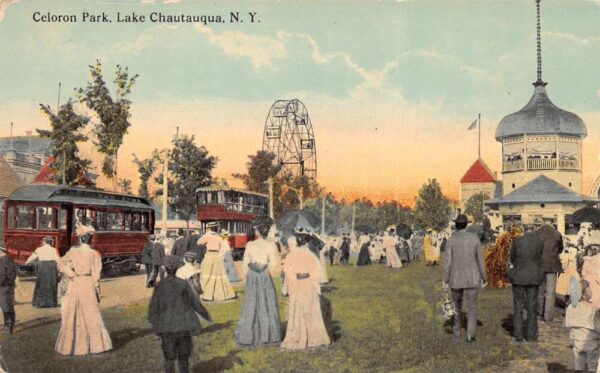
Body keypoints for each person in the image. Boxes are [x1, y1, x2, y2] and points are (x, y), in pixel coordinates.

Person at [149, 255, 212, 373]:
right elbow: (195, 303)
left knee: (169, 358)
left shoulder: (159, 286)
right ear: (178, 267)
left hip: (166, 327)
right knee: (183, 358)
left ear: (164, 268)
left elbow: (153, 308)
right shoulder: (183, 284)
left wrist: (155, 326)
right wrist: (206, 315)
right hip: (183, 326)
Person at [55, 228, 112, 355]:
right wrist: (97, 290)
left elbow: (60, 263)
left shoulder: (73, 251)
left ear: (80, 239)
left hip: (76, 282)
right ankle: (95, 346)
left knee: (74, 311)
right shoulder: (95, 254)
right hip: (88, 283)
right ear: (90, 239)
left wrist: (71, 273)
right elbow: (96, 275)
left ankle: (72, 346)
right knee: (91, 312)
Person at [235, 216, 282, 347]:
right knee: (266, 302)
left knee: (251, 303)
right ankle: (268, 334)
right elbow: (273, 264)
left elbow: (245, 263)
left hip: (252, 275)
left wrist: (250, 272)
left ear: (257, 231)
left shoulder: (250, 245)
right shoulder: (271, 245)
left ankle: (249, 335)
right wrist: (264, 267)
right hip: (264, 275)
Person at [280, 231, 331, 350]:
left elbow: (287, 272)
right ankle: (311, 337)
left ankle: (300, 336)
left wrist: (292, 283)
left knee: (299, 309)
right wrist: (314, 284)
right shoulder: (310, 255)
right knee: (308, 309)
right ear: (305, 243)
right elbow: (317, 273)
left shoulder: (292, 255)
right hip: (306, 284)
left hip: (299, 284)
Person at [443, 214, 487, 343]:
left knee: (457, 307)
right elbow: (480, 260)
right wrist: (484, 277)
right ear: (466, 224)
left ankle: (457, 333)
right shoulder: (474, 239)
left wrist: (445, 279)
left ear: (456, 225)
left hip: (456, 278)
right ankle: (470, 335)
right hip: (472, 277)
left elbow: (448, 262)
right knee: (472, 307)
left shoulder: (451, 240)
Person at [508, 225, 543, 343]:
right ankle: (531, 335)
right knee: (532, 307)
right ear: (533, 228)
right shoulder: (539, 242)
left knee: (518, 306)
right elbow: (540, 258)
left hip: (519, 277)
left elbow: (512, 258)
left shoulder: (517, 241)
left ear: (523, 228)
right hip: (533, 276)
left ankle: (518, 335)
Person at [565, 281, 599, 373]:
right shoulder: (592, 309)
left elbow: (568, 324)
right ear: (585, 293)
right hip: (591, 342)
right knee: (592, 364)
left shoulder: (570, 308)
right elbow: (597, 326)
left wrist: (571, 339)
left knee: (579, 362)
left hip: (577, 341)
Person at [199, 223, 236, 301]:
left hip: (209, 255)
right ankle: (222, 294)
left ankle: (207, 295)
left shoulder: (207, 236)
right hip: (217, 256)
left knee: (208, 274)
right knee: (218, 275)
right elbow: (223, 248)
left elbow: (199, 242)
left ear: (210, 228)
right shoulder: (218, 237)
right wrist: (221, 256)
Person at [533, 224, 563, 322]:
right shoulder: (557, 234)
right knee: (550, 291)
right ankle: (548, 316)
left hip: (539, 265)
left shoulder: (536, 233)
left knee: (540, 289)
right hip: (552, 265)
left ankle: (540, 311)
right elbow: (560, 249)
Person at [25, 236, 60, 308]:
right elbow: (57, 259)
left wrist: (26, 262)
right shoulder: (53, 249)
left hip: (42, 266)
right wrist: (60, 268)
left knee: (41, 283)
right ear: (50, 242)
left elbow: (32, 257)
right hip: (51, 267)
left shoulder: (39, 249)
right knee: (51, 283)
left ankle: (39, 303)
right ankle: (51, 303)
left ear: (45, 242)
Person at [0, 246, 16, 334]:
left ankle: (8, 326)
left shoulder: (2, 260)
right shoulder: (10, 259)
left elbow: (2, 275)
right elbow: (13, 274)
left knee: (5, 306)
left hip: (3, 287)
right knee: (8, 306)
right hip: (9, 286)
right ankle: (11, 326)